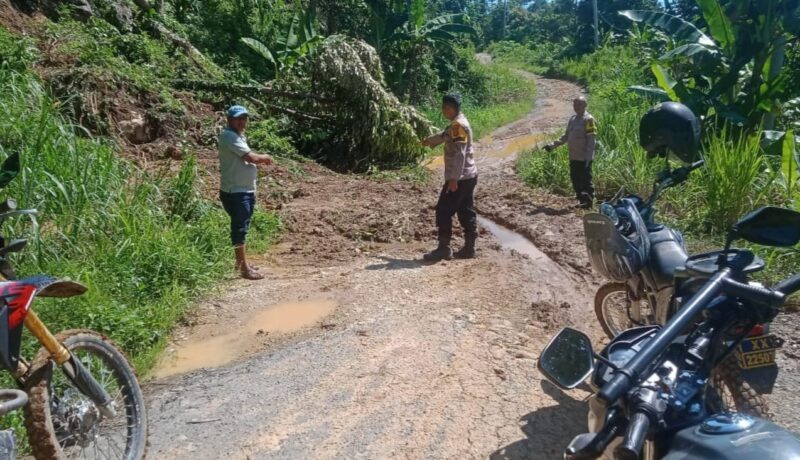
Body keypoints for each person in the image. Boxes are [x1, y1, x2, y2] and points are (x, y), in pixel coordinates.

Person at [218, 105, 273, 280]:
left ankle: (242, 263)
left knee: (243, 226)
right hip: (236, 192)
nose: (241, 122)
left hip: (244, 190)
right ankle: (243, 268)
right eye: (238, 118)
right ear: (229, 119)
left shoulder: (238, 136)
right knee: (239, 228)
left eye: (244, 118)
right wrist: (266, 157)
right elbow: (251, 158)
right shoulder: (228, 136)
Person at [421, 93, 479, 262]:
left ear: (455, 108)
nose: (444, 111)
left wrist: (453, 179)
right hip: (469, 176)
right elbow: (444, 135)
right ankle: (469, 248)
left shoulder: (457, 126)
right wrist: (429, 141)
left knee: (443, 210)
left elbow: (460, 154)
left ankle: (443, 249)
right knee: (465, 210)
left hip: (460, 178)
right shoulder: (456, 124)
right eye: (443, 107)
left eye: (447, 108)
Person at [544, 96, 598, 209]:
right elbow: (566, 136)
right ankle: (581, 200)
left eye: (579, 104)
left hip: (584, 158)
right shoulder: (573, 119)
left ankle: (588, 204)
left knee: (586, 182)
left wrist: (589, 158)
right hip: (573, 157)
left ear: (585, 105)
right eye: (574, 104)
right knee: (575, 180)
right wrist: (552, 146)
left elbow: (591, 140)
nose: (576, 107)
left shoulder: (589, 120)